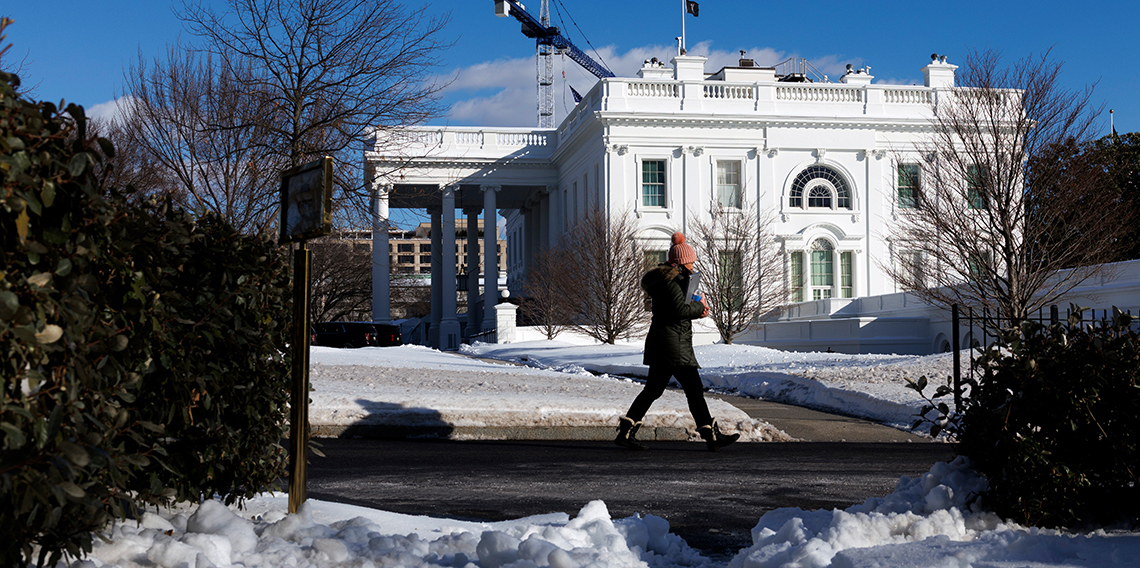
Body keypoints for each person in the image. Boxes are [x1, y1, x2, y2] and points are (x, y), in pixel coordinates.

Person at [615, 232, 740, 451]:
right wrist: (700, 309)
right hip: (672, 345)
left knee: (654, 389)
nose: (693, 264)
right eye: (691, 260)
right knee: (693, 389)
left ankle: (626, 432)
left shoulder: (672, 281)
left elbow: (677, 310)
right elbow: (678, 310)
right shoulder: (672, 283)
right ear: (682, 262)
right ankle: (711, 437)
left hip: (667, 342)